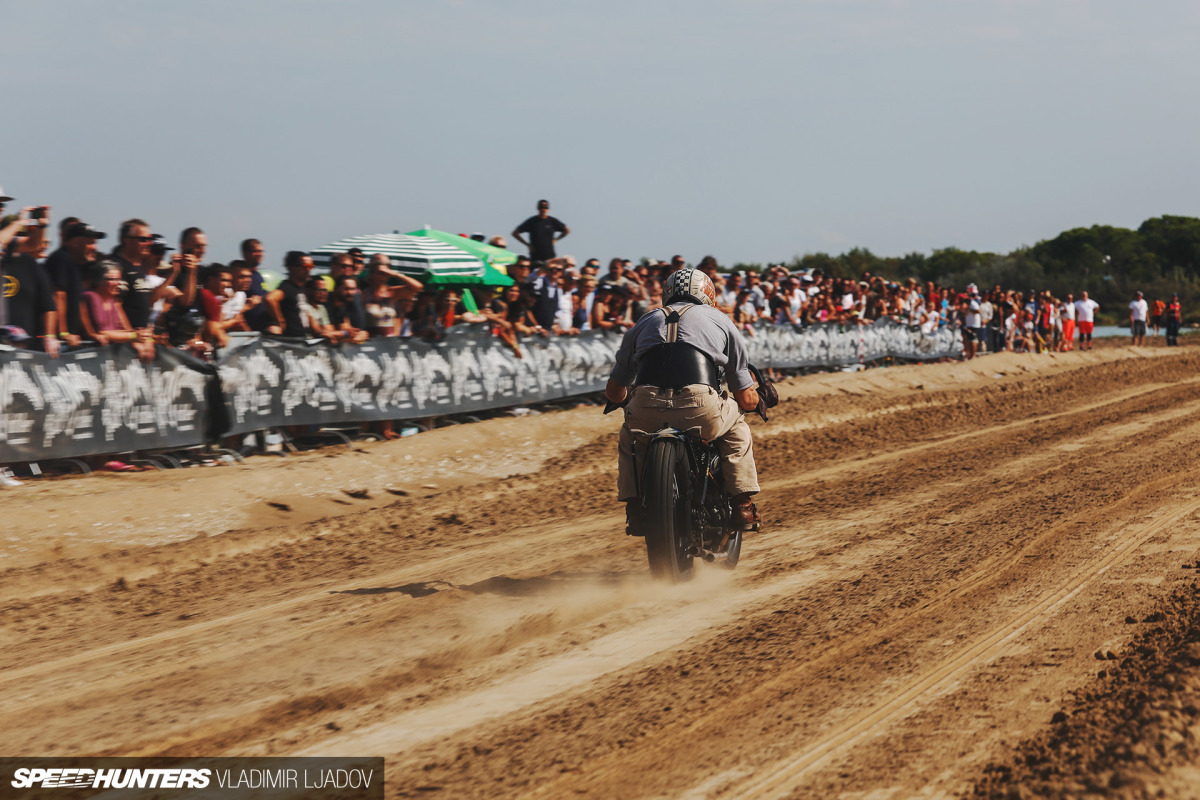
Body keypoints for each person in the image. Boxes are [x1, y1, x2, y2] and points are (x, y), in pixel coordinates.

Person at [605, 268, 762, 531]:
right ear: (708, 294)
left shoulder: (643, 322)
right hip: (701, 409)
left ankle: (634, 509)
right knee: (737, 424)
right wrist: (759, 400)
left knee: (629, 437)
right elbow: (746, 398)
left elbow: (613, 392)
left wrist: (627, 399)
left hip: (646, 406)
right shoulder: (721, 320)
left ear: (668, 293)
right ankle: (743, 506)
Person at [511, 199, 569, 266]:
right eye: (541, 207)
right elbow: (515, 233)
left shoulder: (552, 221)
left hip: (549, 257)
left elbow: (567, 230)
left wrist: (556, 239)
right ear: (538, 208)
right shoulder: (532, 221)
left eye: (545, 207)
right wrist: (527, 244)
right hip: (536, 258)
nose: (543, 209)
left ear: (548, 209)